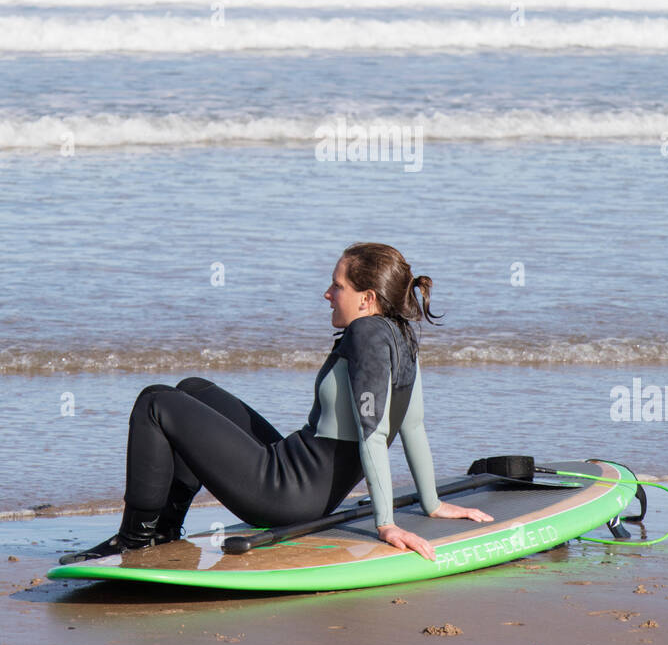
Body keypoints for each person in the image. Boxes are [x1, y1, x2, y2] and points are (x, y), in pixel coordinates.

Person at [60, 242, 492, 565]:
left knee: (154, 403)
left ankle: (137, 538)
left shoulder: (365, 335)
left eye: (337, 286)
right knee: (191, 388)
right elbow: (412, 426)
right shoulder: (401, 333)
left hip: (284, 495)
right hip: (299, 476)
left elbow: (374, 432)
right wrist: (431, 502)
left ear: (367, 299)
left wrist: (386, 523)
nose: (327, 293)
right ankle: (165, 527)